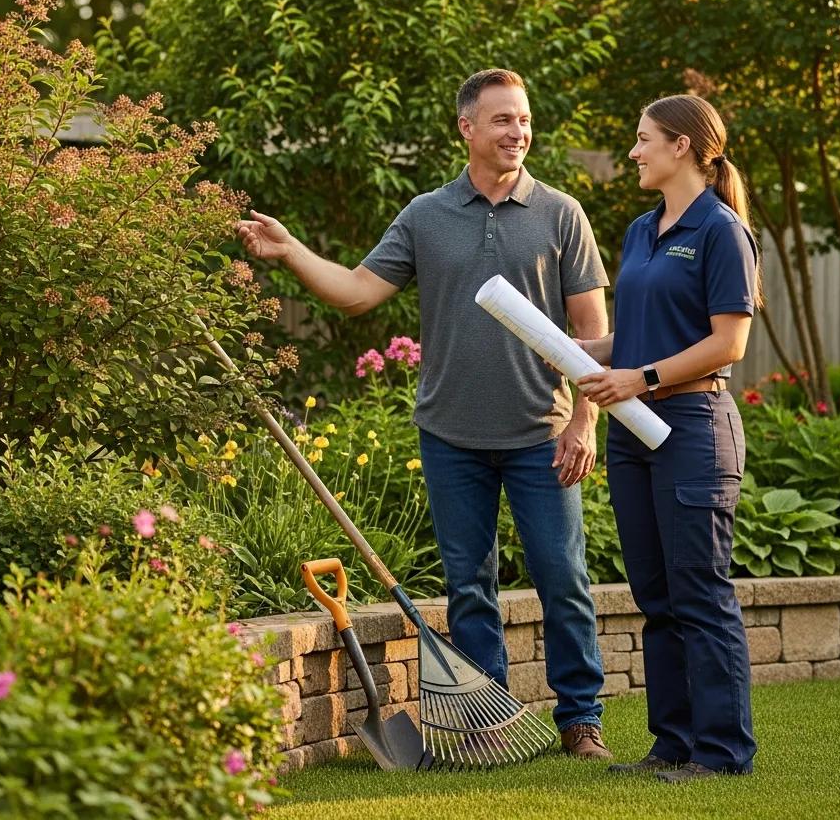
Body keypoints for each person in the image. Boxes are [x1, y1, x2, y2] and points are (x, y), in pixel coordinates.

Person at [237, 69, 612, 758]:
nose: (518, 132)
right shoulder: (426, 215)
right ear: (466, 128)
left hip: (542, 435)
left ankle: (580, 719)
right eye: (501, 120)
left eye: (523, 119)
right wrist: (290, 252)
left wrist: (584, 423)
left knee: (563, 580)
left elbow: (591, 336)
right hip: (450, 437)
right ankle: (488, 720)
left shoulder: (561, 214)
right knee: (470, 588)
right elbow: (354, 292)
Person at [576, 94, 759, 783]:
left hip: (691, 428)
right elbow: (640, 335)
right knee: (655, 593)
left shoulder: (720, 230)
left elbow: (727, 342)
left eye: (643, 138)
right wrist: (582, 349)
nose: (634, 151)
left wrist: (639, 379)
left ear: (682, 146)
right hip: (635, 430)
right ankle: (673, 743)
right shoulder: (641, 229)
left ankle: (723, 753)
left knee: (698, 592)